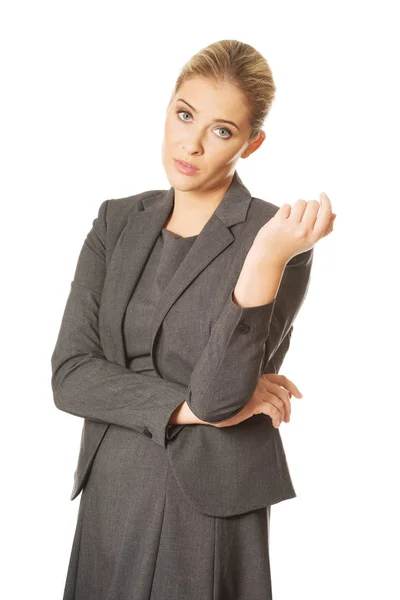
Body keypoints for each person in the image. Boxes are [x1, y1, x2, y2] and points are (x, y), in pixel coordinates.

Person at [51, 39, 335, 600]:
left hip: (210, 499)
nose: (192, 143)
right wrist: (185, 409)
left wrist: (266, 259)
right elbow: (70, 376)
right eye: (185, 115)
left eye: (222, 130)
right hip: (115, 482)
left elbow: (222, 397)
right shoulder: (116, 221)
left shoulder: (278, 240)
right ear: (168, 109)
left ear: (251, 144)